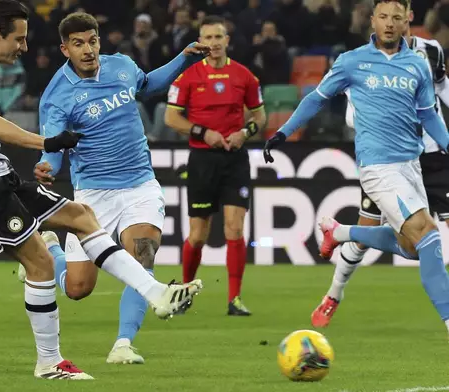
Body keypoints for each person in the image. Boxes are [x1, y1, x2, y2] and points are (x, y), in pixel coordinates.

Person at [0, 0, 203, 380]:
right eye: (19, 39)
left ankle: (157, 295)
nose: (24, 48)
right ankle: (49, 363)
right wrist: (47, 144)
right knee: (41, 264)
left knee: (81, 218)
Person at [33, 11, 209, 365]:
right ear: (64, 48)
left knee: (141, 255)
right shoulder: (57, 96)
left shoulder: (122, 66)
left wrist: (183, 60)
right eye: (79, 44)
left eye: (93, 41)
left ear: (100, 40)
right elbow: (52, 145)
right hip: (93, 196)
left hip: (140, 185)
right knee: (78, 288)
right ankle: (52, 250)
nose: (88, 50)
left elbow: (149, 85)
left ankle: (123, 344)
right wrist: (47, 168)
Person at [263, 0, 449, 335]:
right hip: (377, 167)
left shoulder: (417, 65)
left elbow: (427, 114)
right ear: (373, 21)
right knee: (428, 235)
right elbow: (316, 98)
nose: (389, 24)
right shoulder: (352, 62)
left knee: (412, 247)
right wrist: (283, 132)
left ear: (407, 21)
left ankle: (342, 232)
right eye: (383, 17)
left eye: (396, 17)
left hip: (411, 166)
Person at [163, 15, 266, 316]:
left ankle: (234, 299)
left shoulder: (245, 76)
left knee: (234, 229)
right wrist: (202, 132)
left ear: (227, 40)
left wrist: (244, 133)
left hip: (235, 159)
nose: (214, 44)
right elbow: (172, 118)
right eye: (207, 38)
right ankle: (183, 292)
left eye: (218, 37)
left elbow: (259, 117)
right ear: (200, 42)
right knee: (198, 235)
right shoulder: (188, 77)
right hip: (202, 160)